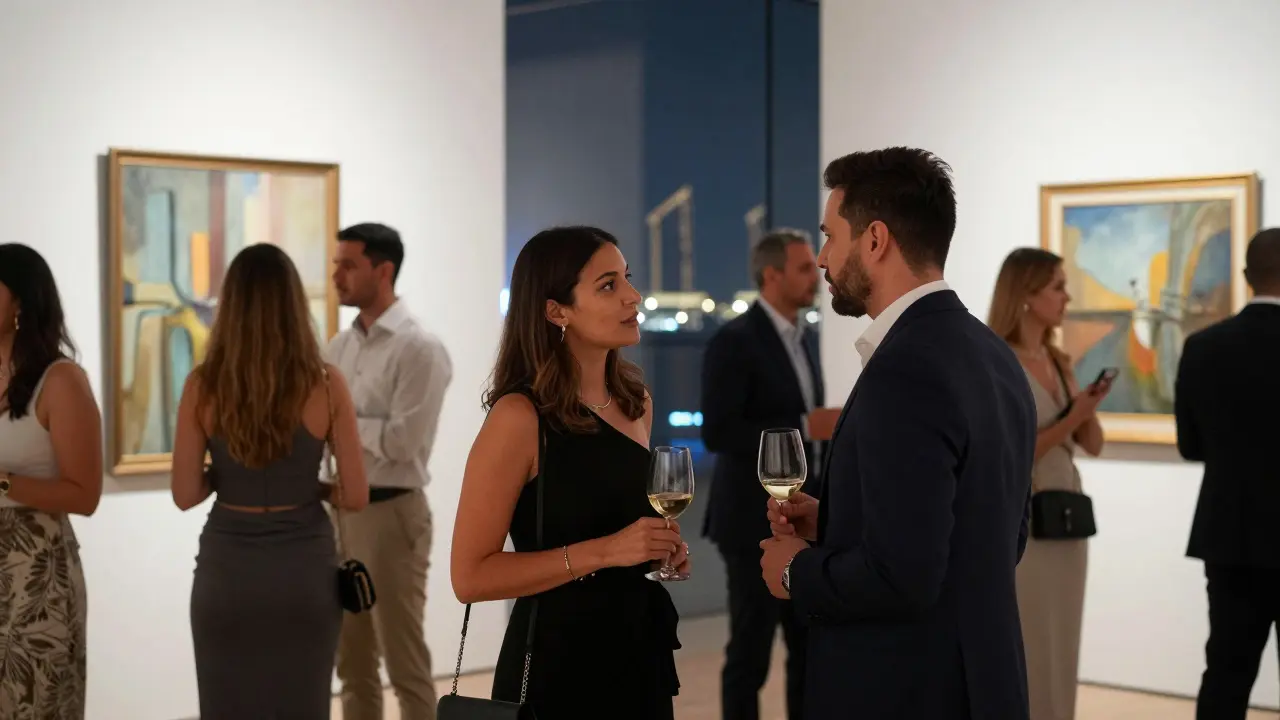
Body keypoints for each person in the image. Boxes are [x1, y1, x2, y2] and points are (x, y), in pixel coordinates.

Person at [760, 147, 1038, 719]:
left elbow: (902, 578)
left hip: (907, 691)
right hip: (986, 681)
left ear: (876, 240)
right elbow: (999, 535)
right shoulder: (993, 355)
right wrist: (837, 519)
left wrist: (793, 569)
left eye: (830, 236)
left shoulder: (905, 367)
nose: (822, 258)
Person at [451, 226, 690, 719]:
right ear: (556, 310)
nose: (633, 296)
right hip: (556, 666)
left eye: (627, 279)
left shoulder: (635, 402)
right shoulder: (519, 417)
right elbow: (470, 577)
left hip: (638, 652)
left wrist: (656, 550)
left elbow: (617, 523)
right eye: (608, 286)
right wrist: (608, 551)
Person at [172, 243, 370, 718]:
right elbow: (356, 496)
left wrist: (228, 473)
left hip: (228, 574)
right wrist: (310, 486)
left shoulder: (203, 385)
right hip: (304, 574)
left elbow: (185, 494)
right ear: (293, 305)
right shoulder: (326, 383)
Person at [327, 222, 452, 720]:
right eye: (337, 263)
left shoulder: (419, 348)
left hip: (392, 515)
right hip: (341, 512)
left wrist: (339, 420)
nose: (337, 274)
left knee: (404, 662)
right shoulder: (339, 347)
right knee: (352, 665)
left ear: (384, 270)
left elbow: (403, 443)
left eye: (348, 264)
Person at [701, 229, 824, 720]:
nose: (815, 275)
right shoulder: (734, 340)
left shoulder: (805, 337)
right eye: (803, 268)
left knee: (809, 649)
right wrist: (804, 426)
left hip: (801, 517)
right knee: (749, 655)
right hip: (750, 522)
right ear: (770, 275)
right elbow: (718, 430)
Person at [989, 247, 1112, 720]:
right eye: (1057, 286)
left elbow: (1093, 444)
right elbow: (1012, 453)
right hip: (1024, 524)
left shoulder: (1060, 360)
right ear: (1026, 293)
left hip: (1066, 518)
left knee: (1064, 640)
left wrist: (1085, 409)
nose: (1067, 296)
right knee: (1030, 641)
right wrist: (1072, 417)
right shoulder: (998, 360)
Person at [1175, 227, 1280, 720]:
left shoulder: (1203, 346)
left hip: (1231, 536)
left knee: (1226, 673)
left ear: (1246, 276)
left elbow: (1190, 446)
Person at [0, 243, 101, 719]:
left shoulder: (60, 380)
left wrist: (2, 484)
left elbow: (85, 494)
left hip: (34, 580)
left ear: (20, 302)